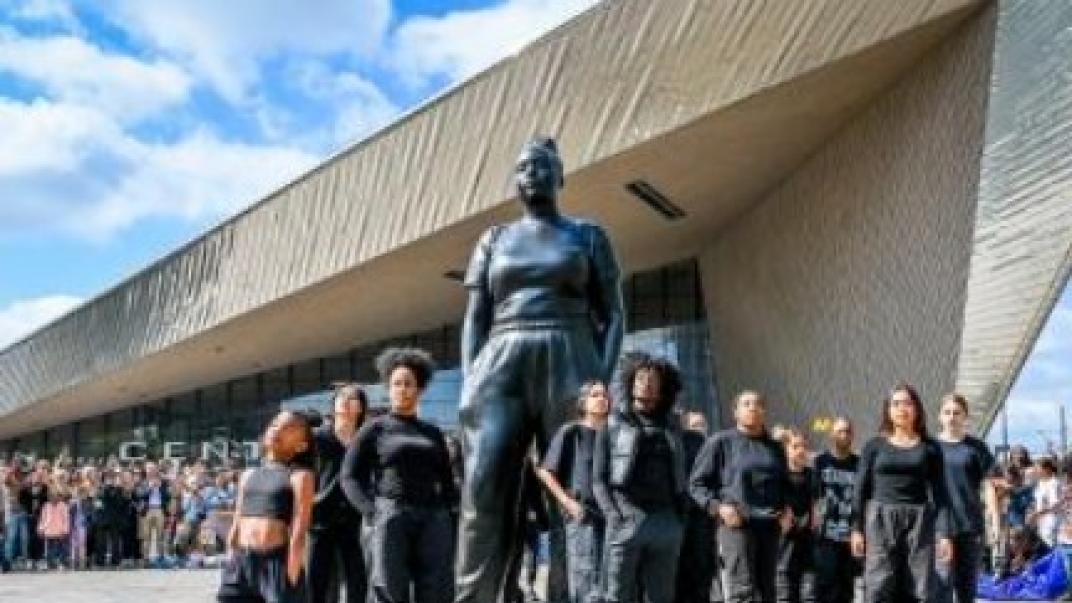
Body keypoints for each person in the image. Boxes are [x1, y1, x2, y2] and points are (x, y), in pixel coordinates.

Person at [455, 136, 624, 603]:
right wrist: (470, 381)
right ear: (515, 181)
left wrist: (600, 382)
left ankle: (572, 595)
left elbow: (613, 314)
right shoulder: (493, 239)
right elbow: (475, 317)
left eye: (542, 166)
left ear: (561, 175)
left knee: (575, 493)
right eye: (524, 167)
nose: (532, 173)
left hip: (571, 354)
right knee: (484, 488)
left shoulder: (588, 235)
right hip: (502, 358)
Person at [341, 348, 458, 603]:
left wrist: (450, 513)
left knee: (436, 588)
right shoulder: (374, 428)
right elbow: (349, 476)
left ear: (419, 389)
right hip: (391, 515)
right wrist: (371, 511)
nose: (403, 389)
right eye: (397, 383)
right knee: (388, 588)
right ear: (388, 388)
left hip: (433, 518)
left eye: (409, 384)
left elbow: (447, 480)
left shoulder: (433, 432)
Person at [594, 353, 688, 603]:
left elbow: (682, 471)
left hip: (666, 520)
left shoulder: (673, 426)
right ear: (630, 383)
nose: (646, 382)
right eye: (641, 378)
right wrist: (614, 516)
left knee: (663, 596)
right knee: (616, 595)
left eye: (653, 379)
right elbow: (598, 479)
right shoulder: (612, 424)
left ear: (663, 387)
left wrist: (680, 517)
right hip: (627, 518)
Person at [850, 384, 952, 602]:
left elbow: (941, 493)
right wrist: (856, 529)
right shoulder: (874, 446)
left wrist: (944, 534)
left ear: (916, 409)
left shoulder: (930, 448)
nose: (901, 408)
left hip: (919, 522)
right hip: (880, 521)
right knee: (878, 586)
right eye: (895, 404)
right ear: (888, 410)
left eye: (907, 403)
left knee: (920, 588)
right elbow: (859, 490)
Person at [690, 391, 791, 603]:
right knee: (742, 591)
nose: (753, 408)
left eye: (758, 404)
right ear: (735, 412)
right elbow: (696, 485)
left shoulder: (774, 447)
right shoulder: (721, 442)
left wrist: (787, 510)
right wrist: (719, 508)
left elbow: (785, 484)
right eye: (746, 404)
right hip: (737, 526)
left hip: (770, 527)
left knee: (768, 591)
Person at [219, 410, 315, 603]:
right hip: (241, 562)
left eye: (289, 427)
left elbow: (299, 527)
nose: (277, 428)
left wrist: (292, 570)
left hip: (276, 561)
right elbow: (237, 520)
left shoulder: (300, 476)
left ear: (302, 445)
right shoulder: (248, 474)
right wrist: (231, 557)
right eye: (274, 424)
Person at [537, 380, 611, 603]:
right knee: (585, 580)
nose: (602, 399)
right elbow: (545, 472)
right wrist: (568, 503)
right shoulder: (571, 432)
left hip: (613, 517)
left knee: (609, 581)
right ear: (583, 402)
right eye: (595, 395)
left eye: (605, 395)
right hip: (583, 516)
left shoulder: (612, 435)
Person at [933, 393, 1000, 603]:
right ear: (940, 417)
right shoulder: (929, 448)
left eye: (956, 413)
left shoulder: (977, 448)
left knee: (967, 588)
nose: (952, 417)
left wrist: (995, 521)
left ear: (965, 416)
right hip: (938, 527)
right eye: (947, 412)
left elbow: (989, 485)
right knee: (941, 585)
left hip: (970, 526)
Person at [307, 384, 369, 603]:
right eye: (341, 397)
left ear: (361, 408)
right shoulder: (317, 438)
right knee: (316, 580)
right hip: (320, 517)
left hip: (355, 519)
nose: (345, 400)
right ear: (333, 405)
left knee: (357, 581)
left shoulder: (366, 440)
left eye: (352, 398)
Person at [811, 417, 859, 603]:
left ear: (852, 436)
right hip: (826, 535)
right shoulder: (820, 462)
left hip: (849, 535)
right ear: (832, 434)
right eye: (839, 431)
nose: (843, 435)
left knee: (847, 588)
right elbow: (814, 495)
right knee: (825, 587)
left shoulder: (859, 463)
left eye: (847, 431)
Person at [675, 411, 718, 603]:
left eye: (702, 425)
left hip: (702, 519)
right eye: (694, 425)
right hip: (689, 518)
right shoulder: (686, 446)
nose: (698, 430)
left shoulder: (712, 449)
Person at [776, 428, 815, 603]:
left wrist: (814, 514)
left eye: (804, 446)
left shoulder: (813, 475)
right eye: (795, 446)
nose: (800, 450)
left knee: (809, 594)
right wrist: (782, 512)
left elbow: (820, 501)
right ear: (785, 449)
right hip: (784, 546)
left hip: (808, 546)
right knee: (784, 593)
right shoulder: (777, 475)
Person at [135, 462, 171, 563]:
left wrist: (160, 488)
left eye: (153, 469)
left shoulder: (163, 482)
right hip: (147, 510)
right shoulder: (142, 482)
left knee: (160, 535)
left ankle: (160, 557)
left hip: (159, 510)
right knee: (146, 536)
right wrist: (150, 488)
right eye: (149, 469)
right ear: (146, 470)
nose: (151, 471)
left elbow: (168, 497)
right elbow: (140, 495)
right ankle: (145, 558)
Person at [1029, 457, 1062, 546]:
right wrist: (1035, 513)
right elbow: (1037, 500)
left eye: (1038, 468)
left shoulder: (1054, 483)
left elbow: (1055, 504)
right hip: (1041, 520)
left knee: (1049, 546)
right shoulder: (1041, 482)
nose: (1036, 471)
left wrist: (1037, 513)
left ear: (1047, 469)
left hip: (1051, 520)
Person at [38, 484, 70, 570]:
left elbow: (66, 519)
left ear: (58, 496)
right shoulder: (46, 506)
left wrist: (65, 530)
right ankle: (50, 563)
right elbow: (42, 518)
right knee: (49, 549)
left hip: (59, 531)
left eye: (55, 495)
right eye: (51, 496)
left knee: (61, 548)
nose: (53, 497)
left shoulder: (63, 505)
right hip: (49, 531)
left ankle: (61, 563)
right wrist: (41, 529)